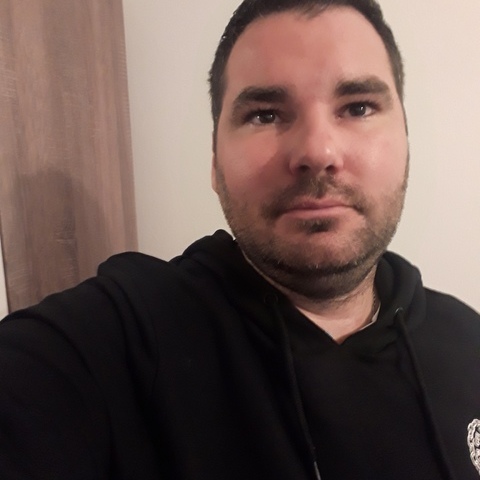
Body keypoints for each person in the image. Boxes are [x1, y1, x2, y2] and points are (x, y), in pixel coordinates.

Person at [1, 0, 479, 478]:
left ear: (406, 142)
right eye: (265, 115)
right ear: (215, 164)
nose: (317, 151)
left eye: (358, 108)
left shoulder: (468, 342)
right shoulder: (123, 339)